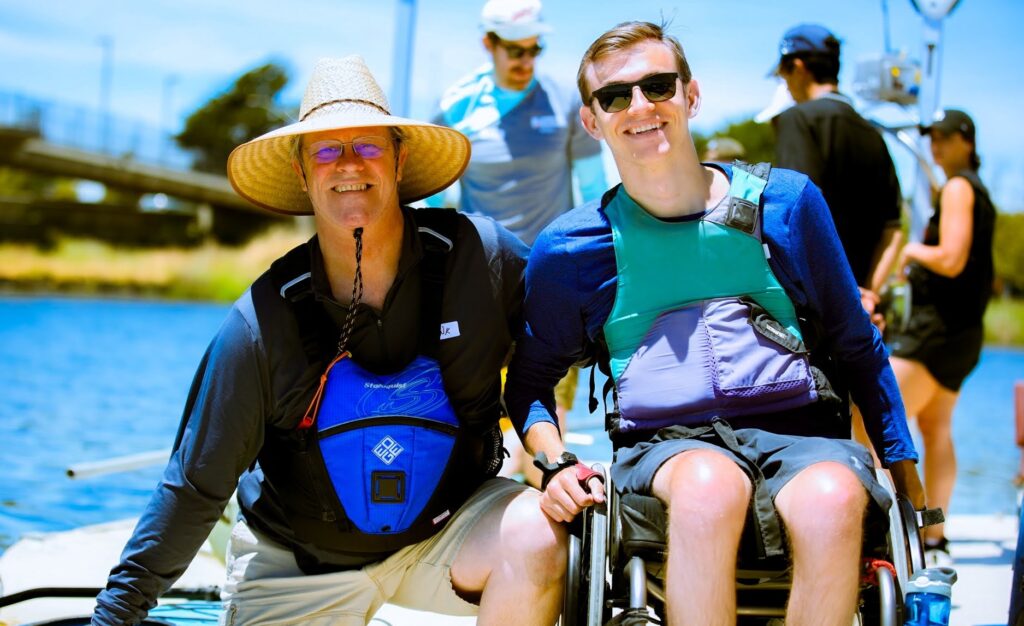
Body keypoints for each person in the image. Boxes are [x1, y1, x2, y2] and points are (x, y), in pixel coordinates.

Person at [92, 56, 567, 626]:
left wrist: (568, 460)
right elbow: (195, 488)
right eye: (325, 150)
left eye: (367, 145)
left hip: (446, 540)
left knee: (543, 534)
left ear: (400, 157)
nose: (348, 165)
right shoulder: (261, 322)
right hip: (297, 565)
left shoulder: (482, 259)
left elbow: (574, 336)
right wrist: (116, 614)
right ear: (301, 173)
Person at [504, 21, 925, 625]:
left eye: (658, 86)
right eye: (615, 96)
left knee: (835, 499)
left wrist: (906, 477)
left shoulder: (788, 206)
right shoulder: (572, 250)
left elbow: (858, 347)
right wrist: (554, 463)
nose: (640, 106)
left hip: (805, 439)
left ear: (690, 95)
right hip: (665, 447)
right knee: (708, 484)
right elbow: (529, 382)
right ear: (592, 121)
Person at [430, 0, 606, 484]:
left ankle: (548, 502)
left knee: (546, 397)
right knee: (472, 401)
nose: (525, 60)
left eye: (535, 49)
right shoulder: (455, 105)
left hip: (549, 276)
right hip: (476, 277)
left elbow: (593, 190)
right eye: (514, 49)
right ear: (488, 44)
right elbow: (433, 203)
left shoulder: (567, 103)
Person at [888, 109, 995, 566]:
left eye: (945, 138)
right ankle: (935, 535)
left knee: (873, 427)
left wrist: (910, 250)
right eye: (932, 139)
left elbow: (951, 258)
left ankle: (883, 535)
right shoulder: (979, 193)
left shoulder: (957, 187)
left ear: (966, 141)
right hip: (964, 334)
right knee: (936, 428)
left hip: (934, 335)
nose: (936, 147)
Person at [772, 24, 904, 323]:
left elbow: (793, 215)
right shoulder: (873, 134)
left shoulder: (798, 120)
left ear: (799, 67)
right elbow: (893, 230)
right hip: (859, 312)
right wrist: (868, 292)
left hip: (815, 307)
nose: (784, 82)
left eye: (784, 72)